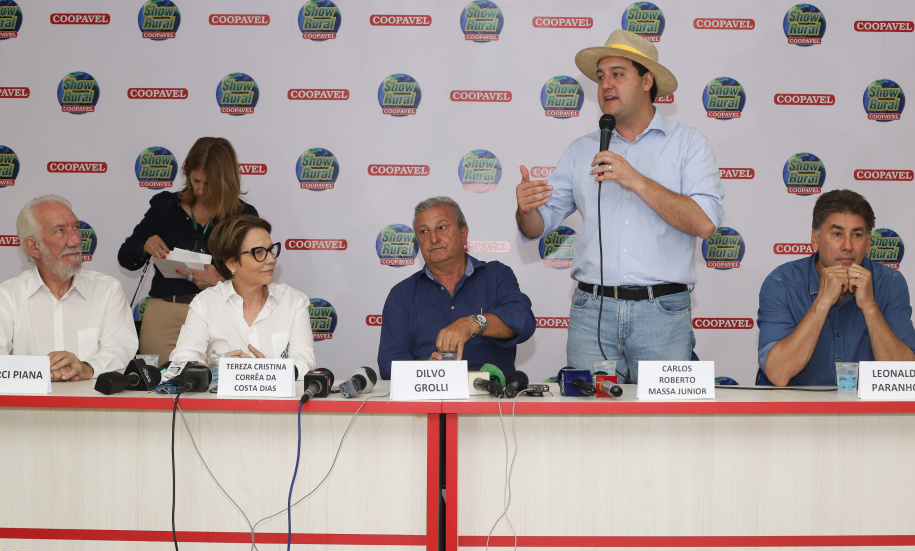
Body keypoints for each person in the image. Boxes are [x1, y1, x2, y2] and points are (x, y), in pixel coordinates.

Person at [515, 29, 724, 383]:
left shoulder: (689, 144)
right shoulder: (581, 150)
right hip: (591, 311)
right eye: (600, 77)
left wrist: (636, 179)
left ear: (647, 81)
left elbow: (705, 223)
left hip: (662, 313)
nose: (605, 85)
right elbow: (538, 226)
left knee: (664, 427)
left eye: (617, 74)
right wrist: (526, 209)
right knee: (588, 428)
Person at [119, 137, 258, 364]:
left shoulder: (243, 215)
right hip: (166, 314)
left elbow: (257, 271)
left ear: (226, 180)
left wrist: (224, 277)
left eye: (209, 183)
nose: (201, 190)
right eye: (195, 180)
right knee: (160, 389)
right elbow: (126, 258)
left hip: (222, 313)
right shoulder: (165, 206)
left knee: (221, 388)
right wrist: (144, 244)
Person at [757, 189, 915, 386]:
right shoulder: (781, 283)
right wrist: (822, 303)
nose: (847, 245)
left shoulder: (890, 283)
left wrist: (870, 308)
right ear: (815, 239)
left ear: (867, 244)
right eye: (837, 234)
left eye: (857, 235)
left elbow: (904, 376)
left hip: (865, 413)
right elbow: (778, 374)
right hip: (796, 411)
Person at [378, 197, 536, 380]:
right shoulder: (402, 294)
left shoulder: (496, 275)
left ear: (463, 233)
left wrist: (473, 323)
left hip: (491, 400)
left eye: (442, 227)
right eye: (424, 231)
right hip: (428, 397)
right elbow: (388, 363)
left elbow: (523, 321)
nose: (434, 238)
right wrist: (424, 371)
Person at [0, 195, 137, 380]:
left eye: (75, 228)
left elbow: (121, 348)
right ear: (34, 247)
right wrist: (40, 372)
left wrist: (86, 368)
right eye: (60, 231)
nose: (75, 240)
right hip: (29, 407)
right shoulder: (8, 296)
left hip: (93, 406)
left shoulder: (107, 289)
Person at [170, 215, 316, 376]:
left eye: (271, 250)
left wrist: (268, 371)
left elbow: (304, 359)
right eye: (259, 252)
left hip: (278, 400)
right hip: (222, 400)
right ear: (231, 263)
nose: (272, 259)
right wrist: (215, 367)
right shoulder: (205, 303)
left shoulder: (293, 301)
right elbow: (181, 360)